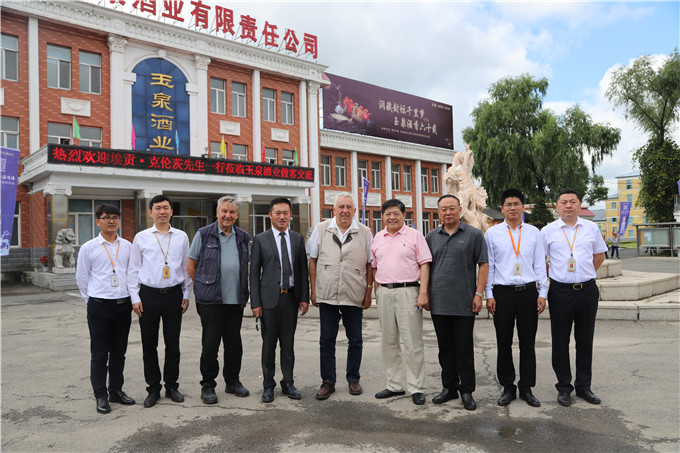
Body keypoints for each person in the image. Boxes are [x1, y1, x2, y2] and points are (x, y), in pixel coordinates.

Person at [542, 188, 608, 407]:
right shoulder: (548, 231)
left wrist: (584, 273)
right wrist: (555, 275)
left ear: (579, 205)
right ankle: (563, 387)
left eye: (572, 201)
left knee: (585, 340)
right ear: (557, 206)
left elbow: (599, 256)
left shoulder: (591, 228)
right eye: (564, 202)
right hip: (560, 292)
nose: (568, 205)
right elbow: (541, 260)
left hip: (587, 291)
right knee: (560, 341)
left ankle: (584, 386)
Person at [484, 189, 548, 408]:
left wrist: (542, 293)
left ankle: (526, 387)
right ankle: (508, 387)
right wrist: (489, 294)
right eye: (508, 204)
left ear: (523, 207)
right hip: (502, 293)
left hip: (528, 292)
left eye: (517, 203)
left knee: (528, 343)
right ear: (502, 209)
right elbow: (490, 265)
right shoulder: (492, 233)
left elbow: (540, 264)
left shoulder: (534, 233)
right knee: (503, 342)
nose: (513, 208)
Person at [307, 192, 373, 400]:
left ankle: (353, 378)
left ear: (354, 211)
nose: (345, 211)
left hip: (354, 293)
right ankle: (328, 381)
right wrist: (313, 289)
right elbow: (312, 260)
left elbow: (370, 264)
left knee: (356, 339)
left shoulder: (365, 232)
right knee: (327, 339)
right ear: (334, 209)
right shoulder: (321, 229)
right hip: (327, 294)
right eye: (341, 207)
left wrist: (369, 291)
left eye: (348, 207)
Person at [128, 194, 192, 408]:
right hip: (148, 296)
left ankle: (172, 386)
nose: (162, 211)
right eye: (158, 208)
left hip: (174, 295)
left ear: (172, 211)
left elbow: (186, 268)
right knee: (149, 344)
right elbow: (133, 269)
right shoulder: (141, 237)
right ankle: (153, 388)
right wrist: (135, 297)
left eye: (166, 207)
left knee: (173, 344)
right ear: (150, 212)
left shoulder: (181, 236)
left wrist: (186, 294)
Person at [426, 194, 488, 411]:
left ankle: (467, 390)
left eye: (452, 208)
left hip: (464, 302)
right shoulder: (431, 236)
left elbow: (483, 264)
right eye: (444, 209)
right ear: (438, 212)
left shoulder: (473, 234)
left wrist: (479, 294)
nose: (448, 212)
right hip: (439, 302)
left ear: (460, 209)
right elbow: (426, 267)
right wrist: (425, 294)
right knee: (445, 348)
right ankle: (449, 387)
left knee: (464, 348)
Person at [187, 196, 251, 405]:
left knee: (234, 345)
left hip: (235, 301)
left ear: (237, 215)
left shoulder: (243, 237)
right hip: (210, 302)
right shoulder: (203, 234)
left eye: (232, 212)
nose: (227, 215)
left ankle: (232, 382)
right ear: (217, 212)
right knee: (210, 345)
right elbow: (191, 265)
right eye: (224, 211)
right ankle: (208, 385)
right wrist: (203, 287)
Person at [76, 204, 136, 414]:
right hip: (99, 306)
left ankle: (116, 390)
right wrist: (92, 300)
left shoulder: (127, 246)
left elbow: (132, 274)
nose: (111, 221)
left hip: (123, 305)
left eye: (115, 217)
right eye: (107, 217)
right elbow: (82, 278)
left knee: (119, 352)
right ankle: (100, 395)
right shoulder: (89, 247)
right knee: (100, 354)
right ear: (98, 221)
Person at [371, 199, 431, 406]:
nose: (392, 217)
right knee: (388, 342)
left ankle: (416, 387)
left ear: (404, 215)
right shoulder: (378, 237)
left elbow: (425, 265)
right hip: (385, 292)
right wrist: (377, 291)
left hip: (409, 292)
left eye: (396, 213)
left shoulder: (415, 236)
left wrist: (423, 293)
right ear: (383, 216)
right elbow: (374, 266)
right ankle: (394, 384)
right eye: (388, 214)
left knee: (412, 342)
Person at [250, 197, 309, 403]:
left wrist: (304, 298)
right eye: (278, 213)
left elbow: (302, 270)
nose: (282, 217)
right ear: (270, 215)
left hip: (291, 299)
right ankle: (268, 385)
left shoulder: (297, 238)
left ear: (290, 215)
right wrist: (255, 303)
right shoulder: (260, 239)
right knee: (268, 346)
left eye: (285, 213)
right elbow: (253, 274)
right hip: (268, 301)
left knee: (288, 344)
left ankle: (288, 382)